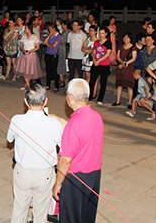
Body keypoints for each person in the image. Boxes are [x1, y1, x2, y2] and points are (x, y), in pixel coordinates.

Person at [7, 83, 63, 223]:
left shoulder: (16, 119)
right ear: (45, 101)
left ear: (26, 101)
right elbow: (64, 146)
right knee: (41, 213)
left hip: (22, 173)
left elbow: (10, 139)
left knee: (19, 209)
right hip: (45, 175)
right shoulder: (54, 124)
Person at [50, 79, 104, 223]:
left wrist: (58, 184)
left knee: (71, 218)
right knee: (87, 216)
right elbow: (82, 133)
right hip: (94, 177)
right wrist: (59, 119)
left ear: (70, 98)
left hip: (76, 180)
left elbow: (65, 160)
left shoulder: (74, 125)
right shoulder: (96, 116)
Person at [88, 26, 112, 104]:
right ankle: (90, 96)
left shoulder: (108, 43)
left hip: (104, 65)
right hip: (96, 64)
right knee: (92, 81)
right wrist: (94, 60)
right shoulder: (96, 42)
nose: (101, 35)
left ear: (106, 34)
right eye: (100, 33)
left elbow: (108, 54)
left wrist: (99, 60)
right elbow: (94, 52)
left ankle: (100, 99)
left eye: (102, 33)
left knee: (103, 82)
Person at [16, 24, 42, 90]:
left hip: (32, 55)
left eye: (26, 28)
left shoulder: (34, 37)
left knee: (31, 71)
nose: (25, 30)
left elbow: (37, 47)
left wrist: (30, 50)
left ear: (30, 29)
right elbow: (21, 46)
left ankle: (26, 85)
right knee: (24, 70)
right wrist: (23, 50)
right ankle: (28, 85)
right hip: (24, 55)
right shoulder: (23, 37)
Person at [43, 23, 62, 92]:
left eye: (51, 29)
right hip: (48, 54)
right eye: (49, 29)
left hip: (54, 54)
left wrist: (48, 45)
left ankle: (56, 86)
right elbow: (44, 43)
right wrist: (49, 36)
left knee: (54, 70)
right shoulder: (50, 35)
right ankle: (48, 84)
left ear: (54, 29)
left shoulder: (58, 36)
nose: (50, 30)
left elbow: (54, 45)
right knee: (48, 70)